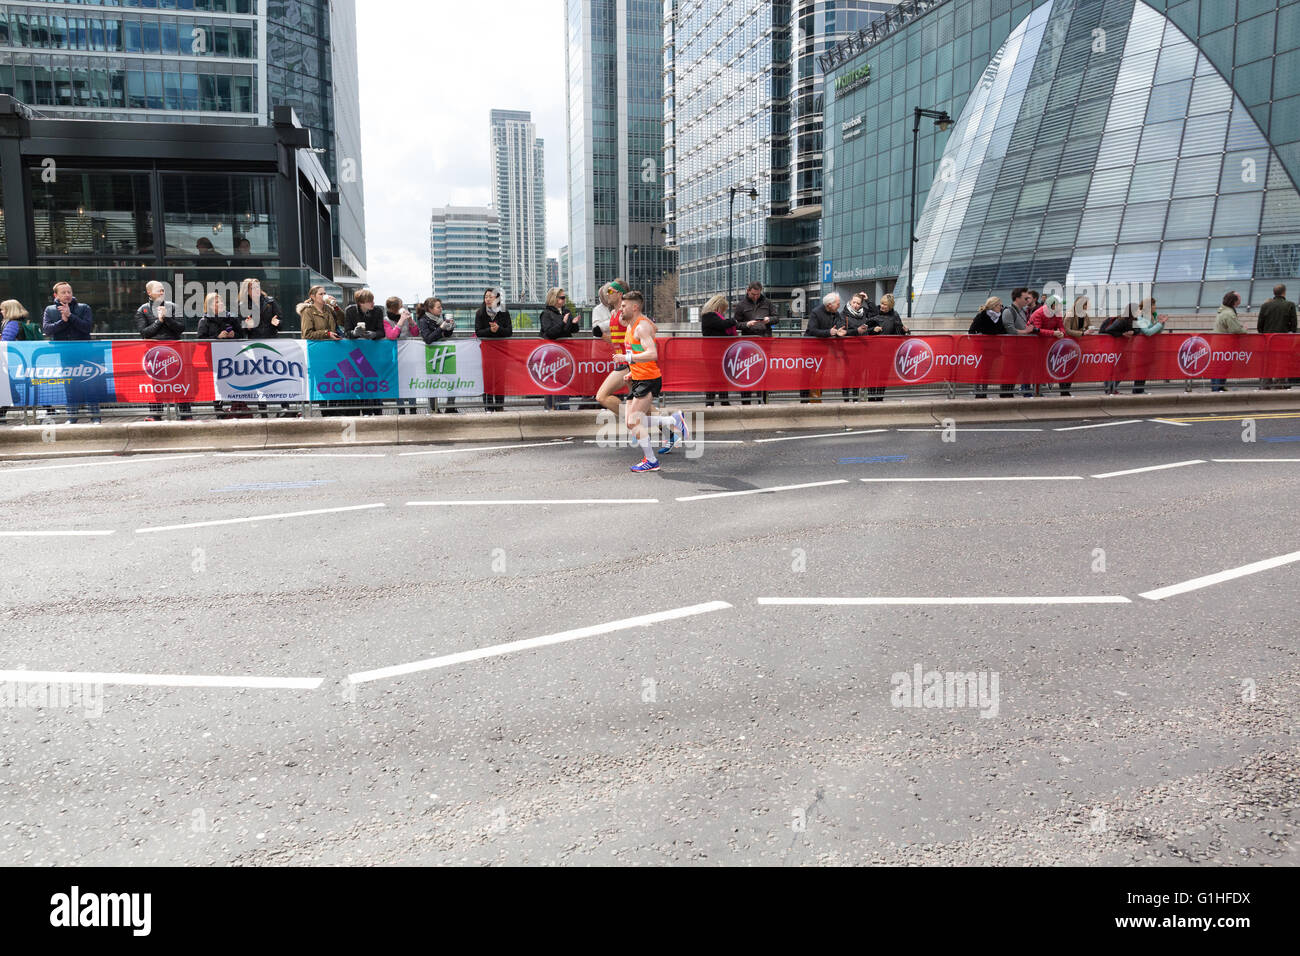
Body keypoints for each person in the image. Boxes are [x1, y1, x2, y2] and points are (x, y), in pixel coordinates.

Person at [616, 291, 686, 472]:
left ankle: (651, 460)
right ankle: (674, 420)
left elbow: (652, 353)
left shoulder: (641, 327)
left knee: (634, 420)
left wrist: (627, 358)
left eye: (624, 306)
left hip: (648, 379)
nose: (620, 309)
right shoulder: (631, 326)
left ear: (635, 307)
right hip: (638, 377)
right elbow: (639, 351)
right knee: (630, 422)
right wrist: (631, 372)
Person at [42, 282, 101, 424]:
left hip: (85, 353)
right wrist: (63, 321)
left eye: (69, 291)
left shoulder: (84, 308)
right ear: (56, 295)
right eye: (63, 292)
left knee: (90, 384)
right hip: (65, 355)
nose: (67, 295)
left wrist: (71, 316)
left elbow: (87, 328)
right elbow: (47, 329)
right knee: (70, 386)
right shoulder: (50, 310)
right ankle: (72, 417)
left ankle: (95, 417)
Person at [237, 278, 290, 418]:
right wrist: (246, 326)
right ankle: (263, 411)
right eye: (253, 288)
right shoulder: (242, 305)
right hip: (254, 344)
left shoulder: (270, 301)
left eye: (257, 287)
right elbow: (239, 327)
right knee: (259, 377)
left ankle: (285, 407)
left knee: (277, 374)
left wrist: (277, 323)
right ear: (246, 291)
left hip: (272, 342)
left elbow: (282, 322)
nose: (256, 290)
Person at [198, 291, 245, 417]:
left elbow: (242, 335)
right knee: (218, 382)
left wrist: (234, 335)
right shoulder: (204, 320)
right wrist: (217, 337)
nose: (221, 303)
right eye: (217, 302)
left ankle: (236, 407)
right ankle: (218, 409)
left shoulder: (232, 318)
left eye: (222, 301)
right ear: (210, 305)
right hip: (214, 357)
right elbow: (201, 341)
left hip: (232, 355)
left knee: (235, 380)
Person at [593, 279, 630, 417]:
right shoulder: (614, 314)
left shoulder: (625, 314)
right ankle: (671, 424)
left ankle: (633, 420)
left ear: (619, 294)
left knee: (601, 396)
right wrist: (602, 335)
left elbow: (640, 333)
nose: (607, 294)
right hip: (624, 363)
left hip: (629, 364)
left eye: (610, 291)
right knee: (640, 404)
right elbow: (616, 340)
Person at [733, 281, 774, 404]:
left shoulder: (767, 302)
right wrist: (746, 324)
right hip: (748, 344)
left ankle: (763, 400)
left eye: (757, 294)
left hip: (765, 341)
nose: (755, 296)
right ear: (748, 291)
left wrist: (770, 319)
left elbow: (776, 317)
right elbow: (735, 324)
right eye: (753, 294)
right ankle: (746, 401)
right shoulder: (741, 305)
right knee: (747, 373)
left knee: (763, 372)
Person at [539, 288, 580, 410]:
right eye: (561, 297)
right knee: (551, 379)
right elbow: (549, 333)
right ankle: (550, 407)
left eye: (564, 297)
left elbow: (572, 330)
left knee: (564, 378)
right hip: (551, 354)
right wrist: (563, 322)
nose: (564, 300)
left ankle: (563, 407)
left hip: (565, 353)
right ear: (554, 298)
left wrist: (573, 323)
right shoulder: (546, 313)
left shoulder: (566, 311)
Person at [416, 297, 457, 414]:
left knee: (452, 380)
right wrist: (441, 328)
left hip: (445, 352)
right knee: (433, 382)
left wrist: (450, 327)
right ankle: (434, 409)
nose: (441, 309)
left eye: (441, 307)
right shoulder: (423, 320)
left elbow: (446, 335)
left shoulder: (442, 318)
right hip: (432, 355)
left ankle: (450, 407)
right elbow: (428, 338)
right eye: (438, 307)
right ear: (430, 309)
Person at [864, 293, 908, 401]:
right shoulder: (874, 313)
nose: (883, 306)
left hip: (887, 352)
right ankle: (870, 398)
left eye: (886, 305)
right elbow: (864, 330)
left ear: (891, 306)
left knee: (883, 376)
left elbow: (898, 333)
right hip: (873, 351)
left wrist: (905, 331)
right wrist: (872, 330)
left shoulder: (895, 316)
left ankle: (879, 399)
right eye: (882, 303)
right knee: (872, 375)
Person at [803, 292, 846, 402]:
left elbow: (839, 325)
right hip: (810, 349)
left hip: (824, 349)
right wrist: (829, 332)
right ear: (829, 305)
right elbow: (812, 330)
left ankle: (818, 399)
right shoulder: (816, 312)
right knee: (808, 375)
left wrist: (839, 332)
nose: (839, 305)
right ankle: (804, 400)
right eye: (837, 303)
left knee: (820, 374)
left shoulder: (836, 313)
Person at [475, 288, 512, 411]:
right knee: (487, 378)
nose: (488, 299)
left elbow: (509, 331)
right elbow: (478, 332)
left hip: (501, 351)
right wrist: (490, 330)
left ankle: (499, 406)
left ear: (497, 299)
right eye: (486, 297)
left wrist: (499, 329)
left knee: (500, 379)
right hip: (487, 352)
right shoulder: (479, 313)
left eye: (490, 296)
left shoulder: (504, 312)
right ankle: (488, 407)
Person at [700, 292, 738, 407]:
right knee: (714, 377)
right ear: (717, 306)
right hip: (712, 352)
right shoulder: (709, 316)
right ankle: (711, 401)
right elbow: (722, 324)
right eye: (723, 309)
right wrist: (734, 321)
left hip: (719, 352)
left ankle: (723, 400)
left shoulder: (711, 316)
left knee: (722, 376)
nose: (724, 312)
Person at [1257, 284, 1297, 389]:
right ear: (1284, 292)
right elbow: (1294, 326)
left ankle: (1265, 386)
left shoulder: (1265, 306)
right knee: (1281, 363)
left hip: (1268, 340)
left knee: (1267, 362)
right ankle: (1280, 385)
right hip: (1283, 340)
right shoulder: (1290, 305)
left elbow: (1259, 326)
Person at [968, 296, 1005, 398]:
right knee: (981, 370)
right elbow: (971, 331)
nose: (1001, 307)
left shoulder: (1001, 317)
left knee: (987, 371)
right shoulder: (982, 316)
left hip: (993, 349)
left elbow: (1002, 331)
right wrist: (980, 338)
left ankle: (984, 391)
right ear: (993, 305)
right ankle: (978, 391)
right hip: (982, 348)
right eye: (999, 305)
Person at [1099, 304, 1139, 395]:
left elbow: (1138, 330)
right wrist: (1122, 334)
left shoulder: (1134, 320)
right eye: (1137, 310)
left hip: (1120, 348)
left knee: (1124, 368)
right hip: (1111, 347)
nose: (1138, 312)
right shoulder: (1121, 320)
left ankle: (1111, 388)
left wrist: (1133, 332)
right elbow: (1109, 330)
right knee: (1111, 368)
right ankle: (1110, 389)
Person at [1211, 291, 1245, 392]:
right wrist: (1244, 329)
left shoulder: (1223, 311)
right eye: (1239, 298)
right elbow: (1235, 329)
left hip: (1219, 344)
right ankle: (1217, 388)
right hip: (1224, 345)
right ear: (1234, 301)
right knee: (1222, 367)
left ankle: (1218, 386)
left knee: (1220, 367)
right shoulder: (1229, 314)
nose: (1241, 299)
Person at [1130, 297, 1164, 394]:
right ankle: (1137, 389)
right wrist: (1159, 324)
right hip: (1141, 347)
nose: (1155, 307)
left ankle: (1140, 389)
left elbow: (1157, 331)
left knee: (1145, 368)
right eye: (1153, 305)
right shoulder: (1140, 317)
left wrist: (1162, 323)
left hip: (1148, 347)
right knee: (1140, 368)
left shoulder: (1152, 317)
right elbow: (1147, 332)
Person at [1060, 295, 1092, 397]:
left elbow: (1088, 325)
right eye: (1086, 304)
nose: (1088, 306)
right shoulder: (1070, 314)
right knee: (1066, 367)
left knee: (1072, 367)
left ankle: (1066, 389)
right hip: (1067, 344)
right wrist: (1082, 333)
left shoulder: (1084, 315)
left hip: (1076, 344)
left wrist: (1090, 329)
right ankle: (1063, 390)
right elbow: (1067, 330)